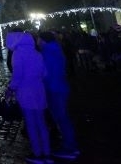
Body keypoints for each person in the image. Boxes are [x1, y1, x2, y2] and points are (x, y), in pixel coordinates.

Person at [6, 31, 51, 164]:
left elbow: (17, 75)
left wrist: (10, 89)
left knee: (31, 124)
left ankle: (37, 154)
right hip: (39, 90)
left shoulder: (18, 54)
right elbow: (45, 73)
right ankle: (47, 154)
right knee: (41, 123)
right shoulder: (37, 53)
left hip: (26, 91)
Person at [39, 31, 79, 160]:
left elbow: (46, 73)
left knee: (62, 118)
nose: (37, 41)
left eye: (39, 39)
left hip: (54, 89)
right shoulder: (56, 49)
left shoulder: (47, 53)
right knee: (63, 117)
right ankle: (69, 145)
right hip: (60, 87)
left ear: (43, 40)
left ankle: (70, 147)